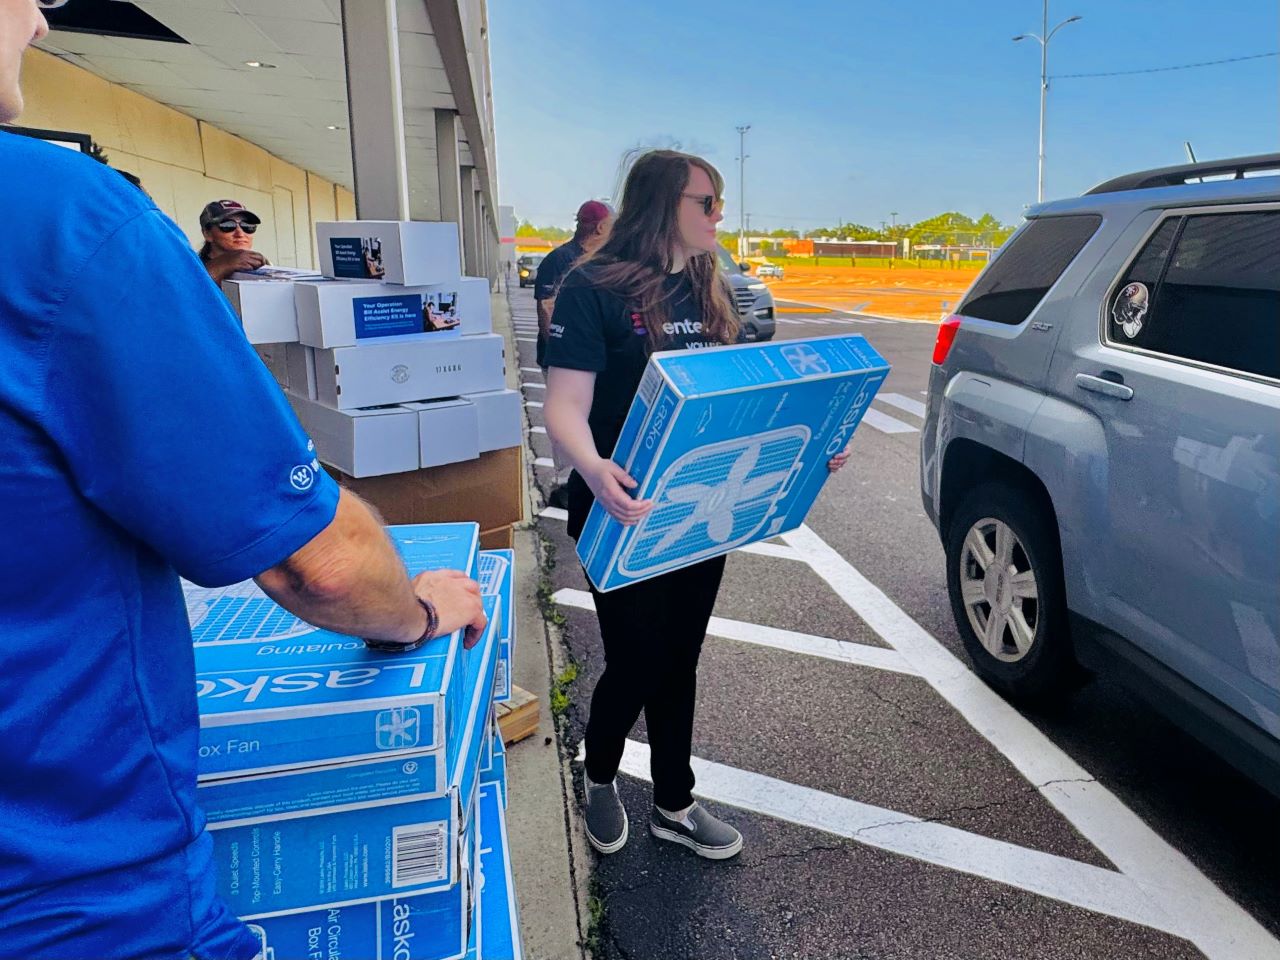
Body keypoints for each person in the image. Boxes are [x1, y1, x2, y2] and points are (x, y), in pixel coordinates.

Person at [0, 4, 486, 958]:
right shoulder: (62, 217)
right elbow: (316, 565)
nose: (40, 24)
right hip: (74, 898)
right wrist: (422, 609)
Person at [543, 150, 851, 861]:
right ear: (661, 205)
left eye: (718, 202)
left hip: (699, 506)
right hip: (620, 511)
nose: (719, 215)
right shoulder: (591, 288)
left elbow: (742, 400)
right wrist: (592, 466)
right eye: (705, 203)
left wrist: (812, 448)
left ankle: (673, 802)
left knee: (679, 657)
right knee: (634, 659)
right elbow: (564, 407)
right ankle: (597, 775)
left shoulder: (712, 283)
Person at [534, 199, 613, 507]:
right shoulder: (561, 259)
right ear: (601, 227)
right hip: (562, 356)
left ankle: (583, 476)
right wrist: (560, 352)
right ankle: (564, 483)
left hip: (587, 358)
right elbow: (546, 307)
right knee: (568, 414)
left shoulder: (601, 260)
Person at [198, 198, 268, 284]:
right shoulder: (192, 266)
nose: (240, 233)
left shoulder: (261, 265)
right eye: (228, 225)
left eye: (247, 225)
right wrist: (222, 265)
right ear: (207, 234)